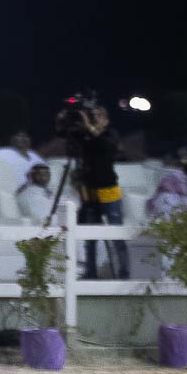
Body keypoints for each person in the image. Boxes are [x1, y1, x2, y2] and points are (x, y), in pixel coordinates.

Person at [76, 106, 128, 280]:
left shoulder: (110, 135)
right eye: (93, 116)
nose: (94, 118)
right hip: (91, 191)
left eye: (99, 116)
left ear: (106, 121)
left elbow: (105, 146)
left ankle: (124, 272)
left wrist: (89, 128)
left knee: (116, 233)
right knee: (90, 235)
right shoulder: (87, 136)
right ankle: (90, 272)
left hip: (109, 190)